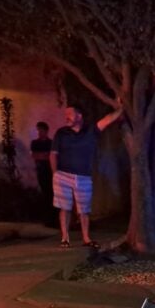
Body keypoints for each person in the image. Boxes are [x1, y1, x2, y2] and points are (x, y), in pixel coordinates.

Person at [50, 103, 122, 248]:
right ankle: (65, 238)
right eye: (65, 116)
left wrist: (121, 108)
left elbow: (107, 120)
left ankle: (86, 238)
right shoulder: (61, 133)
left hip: (83, 176)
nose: (66, 118)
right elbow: (53, 154)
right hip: (63, 175)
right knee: (65, 207)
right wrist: (55, 173)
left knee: (84, 209)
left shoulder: (91, 131)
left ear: (79, 116)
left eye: (69, 115)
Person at [30, 121, 54, 214]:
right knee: (44, 192)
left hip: (50, 170)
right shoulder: (35, 143)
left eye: (41, 130)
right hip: (41, 170)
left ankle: (52, 215)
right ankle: (46, 214)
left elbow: (52, 156)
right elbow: (34, 156)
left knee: (51, 192)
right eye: (38, 130)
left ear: (46, 131)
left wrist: (44, 155)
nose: (39, 132)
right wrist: (45, 155)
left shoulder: (51, 143)